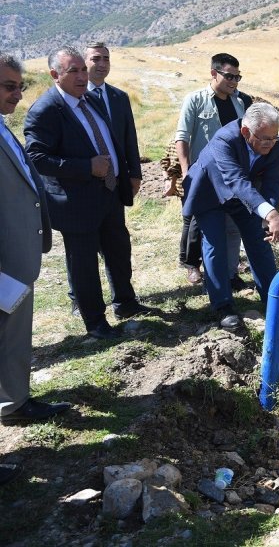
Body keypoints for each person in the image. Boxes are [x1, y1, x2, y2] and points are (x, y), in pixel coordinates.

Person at [24, 46, 154, 340]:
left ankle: (126, 303)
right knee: (83, 264)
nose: (83, 76)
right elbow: (36, 158)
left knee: (118, 250)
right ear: (55, 75)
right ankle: (95, 323)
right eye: (74, 71)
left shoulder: (89, 100)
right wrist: (86, 167)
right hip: (76, 202)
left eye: (83, 69)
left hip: (108, 194)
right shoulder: (46, 110)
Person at [0, 51, 71, 434]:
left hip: (17, 258)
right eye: (9, 87)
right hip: (3, 263)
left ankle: (13, 401)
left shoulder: (2, 125)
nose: (18, 95)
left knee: (12, 335)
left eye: (20, 86)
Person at [182, 103, 279, 330]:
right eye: (264, 139)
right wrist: (270, 213)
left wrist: (269, 214)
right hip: (209, 192)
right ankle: (223, 306)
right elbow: (235, 180)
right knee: (215, 244)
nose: (270, 144)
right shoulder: (224, 140)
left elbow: (272, 180)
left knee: (259, 242)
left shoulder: (276, 144)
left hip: (244, 195)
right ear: (245, 132)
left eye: (274, 137)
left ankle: (274, 302)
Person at [58, 41, 145, 317]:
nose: (102, 63)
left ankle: (124, 300)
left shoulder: (119, 97)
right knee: (82, 248)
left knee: (117, 243)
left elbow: (128, 138)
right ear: (83, 66)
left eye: (106, 58)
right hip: (82, 188)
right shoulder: (72, 100)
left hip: (113, 185)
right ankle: (80, 299)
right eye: (95, 59)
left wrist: (134, 173)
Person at [174, 53, 252, 287]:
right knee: (199, 224)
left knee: (231, 227)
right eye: (229, 76)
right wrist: (187, 173)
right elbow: (182, 137)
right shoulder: (195, 100)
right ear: (213, 73)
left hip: (232, 175)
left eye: (237, 77)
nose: (233, 81)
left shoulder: (242, 102)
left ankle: (228, 274)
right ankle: (191, 265)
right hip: (203, 176)